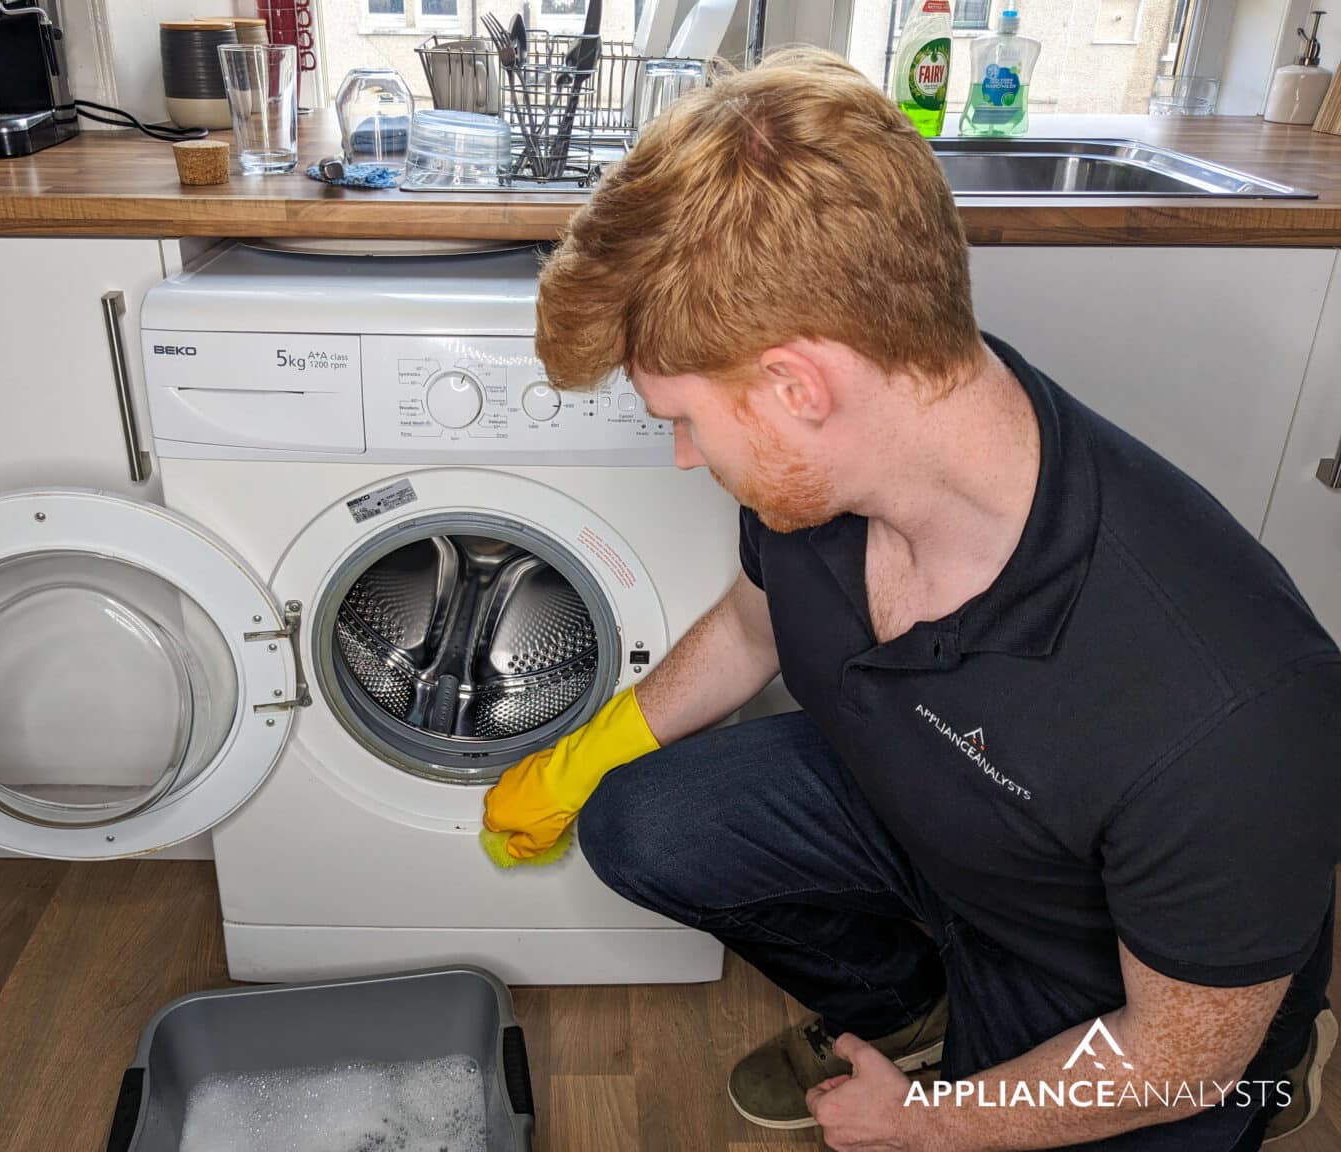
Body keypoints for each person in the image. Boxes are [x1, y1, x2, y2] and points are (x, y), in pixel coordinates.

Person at [481, 49, 1341, 1151]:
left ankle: (1269, 1076)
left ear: (800, 387)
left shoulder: (1228, 707)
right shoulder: (829, 486)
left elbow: (1178, 1057)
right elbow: (756, 622)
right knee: (644, 823)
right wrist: (591, 751)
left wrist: (926, 1125)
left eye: (684, 419)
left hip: (1121, 1009)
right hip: (943, 835)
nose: (687, 457)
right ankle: (913, 1008)